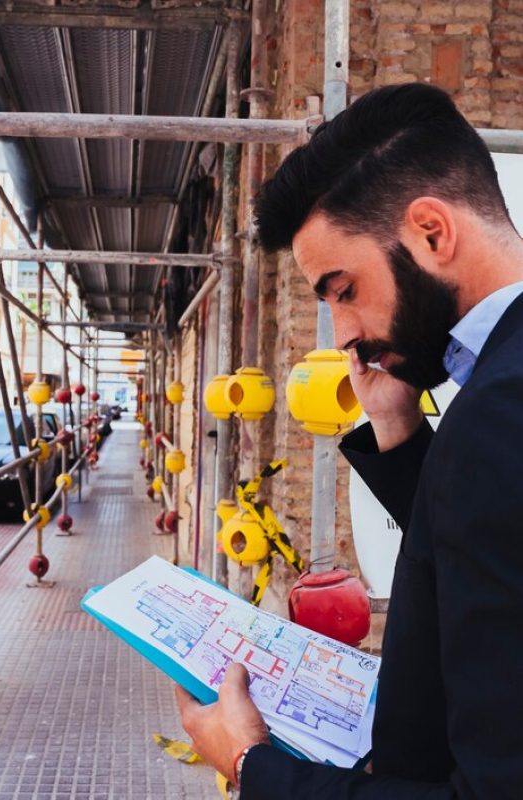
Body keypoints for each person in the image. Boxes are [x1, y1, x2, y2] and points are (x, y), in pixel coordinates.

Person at [175, 82, 523, 798]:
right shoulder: (498, 386)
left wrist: (253, 763)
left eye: (344, 290)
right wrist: (396, 425)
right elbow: (488, 543)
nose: (344, 335)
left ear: (432, 233)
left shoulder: (498, 408)